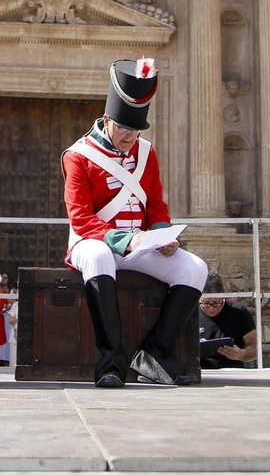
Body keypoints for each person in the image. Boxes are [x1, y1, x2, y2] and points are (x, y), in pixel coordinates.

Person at [63, 57, 208, 388]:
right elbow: (81, 219)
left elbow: (155, 204)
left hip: (140, 243)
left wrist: (162, 234)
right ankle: (111, 363)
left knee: (195, 268)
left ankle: (153, 354)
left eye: (136, 130)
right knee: (99, 257)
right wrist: (125, 241)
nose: (130, 137)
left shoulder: (147, 152)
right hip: (93, 242)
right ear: (106, 120)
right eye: (124, 129)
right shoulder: (78, 156)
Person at [197, 273, 256, 369]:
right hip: (200, 370)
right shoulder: (190, 313)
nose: (212, 308)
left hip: (232, 369)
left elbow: (254, 345)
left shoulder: (239, 311)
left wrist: (241, 354)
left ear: (223, 294)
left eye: (216, 303)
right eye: (206, 303)